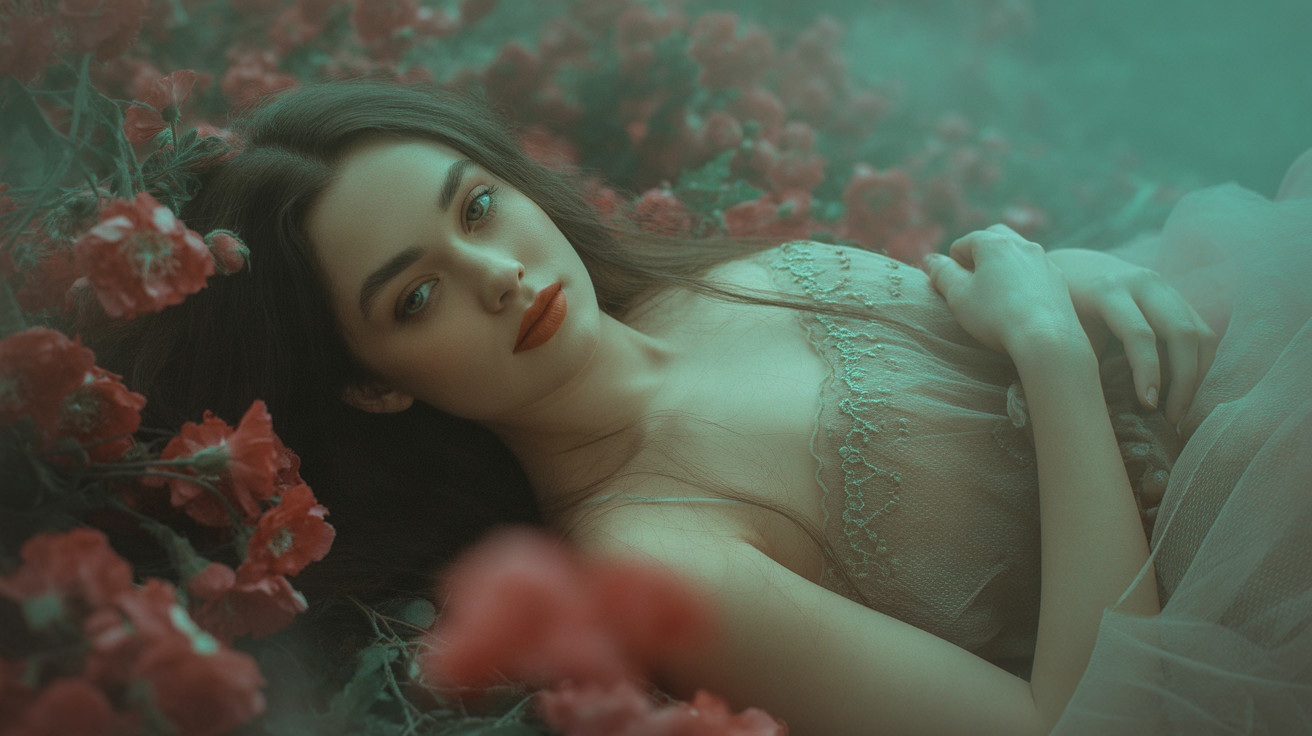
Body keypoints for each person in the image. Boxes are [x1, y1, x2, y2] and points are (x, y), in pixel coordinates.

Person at [90, 81, 1312, 735]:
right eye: (416, 296)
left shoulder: (718, 279)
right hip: (1254, 586)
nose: (498, 273)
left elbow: (982, 331)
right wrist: (1046, 348)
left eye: (475, 210)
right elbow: (1075, 724)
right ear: (376, 380)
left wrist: (1064, 287)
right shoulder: (653, 548)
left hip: (1250, 359)